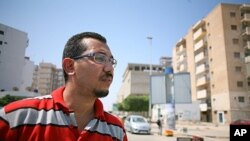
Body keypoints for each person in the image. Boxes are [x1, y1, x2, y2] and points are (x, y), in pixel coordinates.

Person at [0, 32, 128, 141]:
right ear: (70, 66)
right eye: (100, 58)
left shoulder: (116, 130)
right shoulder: (17, 117)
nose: (109, 68)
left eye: (111, 61)